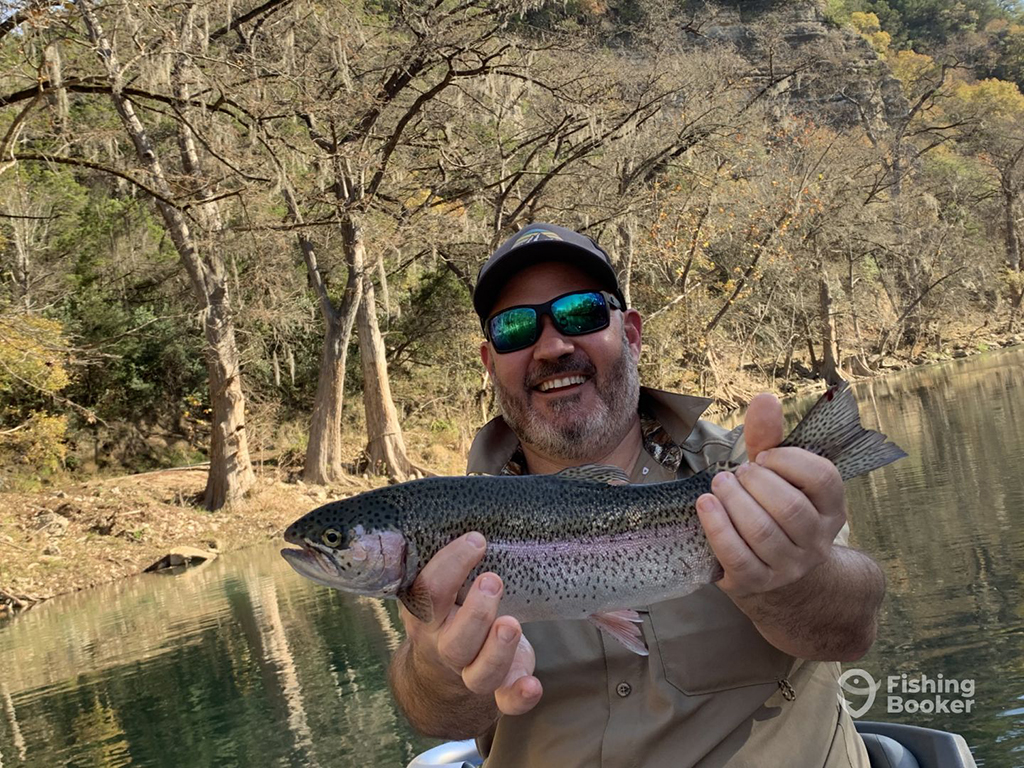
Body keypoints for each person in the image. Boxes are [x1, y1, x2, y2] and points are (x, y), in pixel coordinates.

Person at [389, 223, 885, 766]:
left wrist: (792, 583)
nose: (552, 346)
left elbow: (854, 628)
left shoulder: (747, 473)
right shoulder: (448, 526)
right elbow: (431, 714)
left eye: (581, 313)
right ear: (490, 363)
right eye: (514, 328)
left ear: (630, 333)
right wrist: (439, 672)